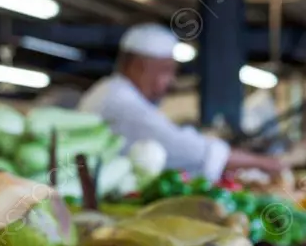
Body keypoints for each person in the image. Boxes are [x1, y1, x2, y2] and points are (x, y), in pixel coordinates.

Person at [79, 23, 283, 181]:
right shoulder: (119, 101)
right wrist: (266, 163)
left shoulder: (110, 91)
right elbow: (187, 149)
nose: (171, 81)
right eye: (166, 71)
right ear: (139, 67)